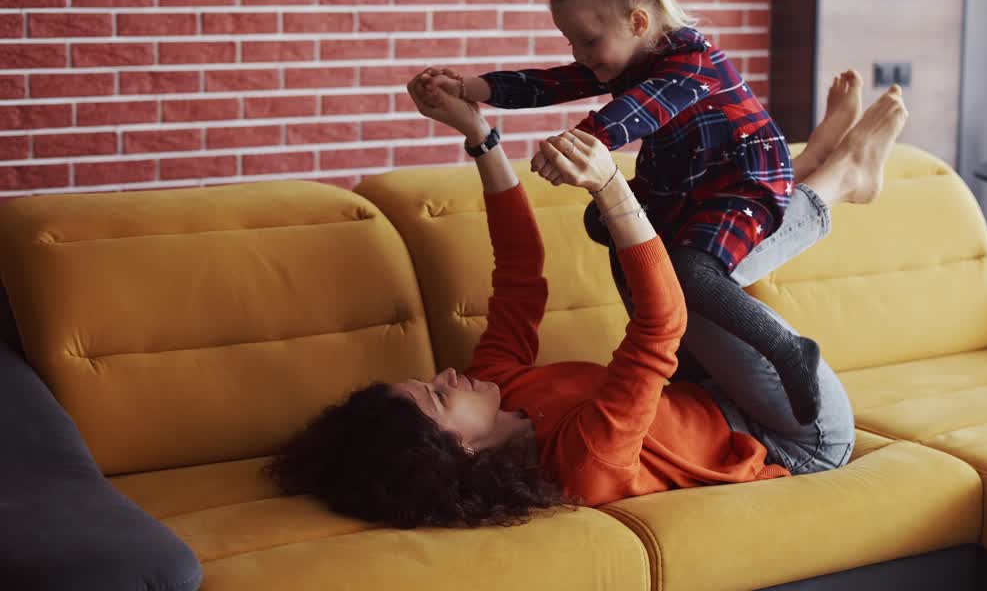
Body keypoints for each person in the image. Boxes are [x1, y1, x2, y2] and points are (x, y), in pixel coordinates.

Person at [267, 72, 908, 528]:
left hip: (710, 390)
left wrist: (480, 136)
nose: (449, 373)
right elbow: (661, 327)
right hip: (794, 436)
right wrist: (610, 187)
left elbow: (519, 273)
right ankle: (837, 178)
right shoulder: (582, 464)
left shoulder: (496, 385)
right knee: (690, 277)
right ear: (457, 449)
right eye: (438, 394)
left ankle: (817, 173)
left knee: (689, 258)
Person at [421, 0, 861, 425]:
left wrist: (582, 141)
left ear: (636, 21)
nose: (579, 56)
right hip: (683, 182)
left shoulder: (692, 60)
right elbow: (550, 83)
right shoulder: (624, 54)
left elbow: (641, 110)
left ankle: (788, 350)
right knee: (606, 223)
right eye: (571, 43)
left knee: (694, 274)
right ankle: (680, 355)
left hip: (740, 179)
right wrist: (472, 87)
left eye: (586, 41)